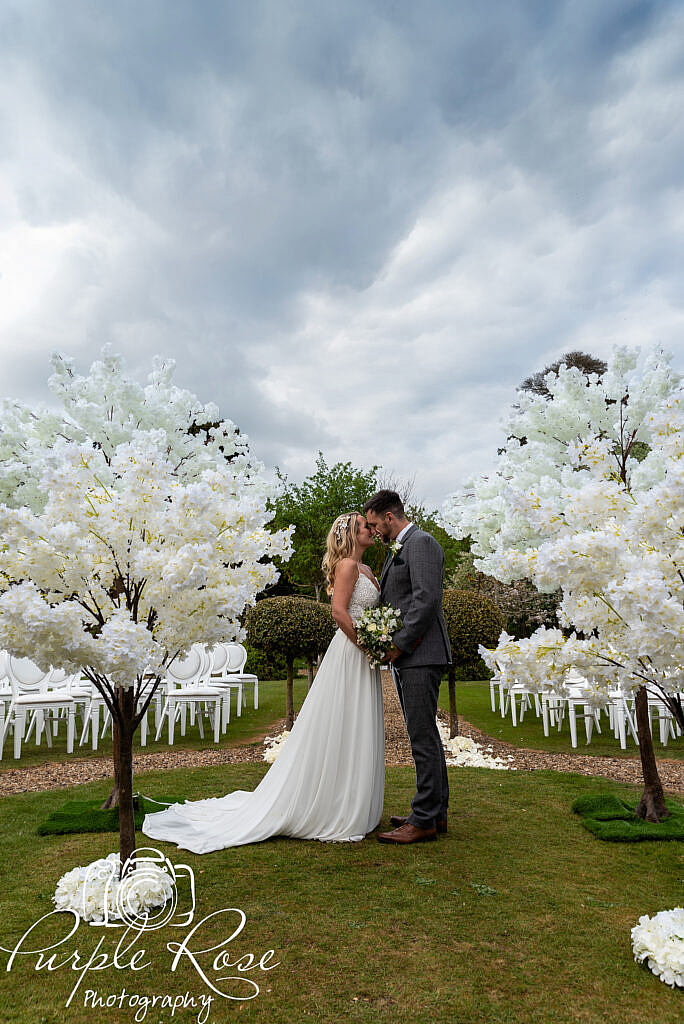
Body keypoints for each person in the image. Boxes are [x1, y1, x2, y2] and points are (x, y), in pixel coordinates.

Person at [142, 512, 384, 854]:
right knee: (341, 722)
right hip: (350, 651)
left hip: (365, 654)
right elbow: (339, 612)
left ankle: (352, 799)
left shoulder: (369, 571)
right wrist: (367, 644)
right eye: (364, 526)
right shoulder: (346, 567)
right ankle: (333, 806)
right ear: (349, 535)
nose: (371, 530)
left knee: (357, 725)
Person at [363, 490, 451, 845]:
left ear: (388, 517)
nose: (373, 531)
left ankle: (425, 819)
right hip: (416, 655)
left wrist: (399, 644)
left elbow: (426, 599)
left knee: (421, 736)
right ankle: (434, 812)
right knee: (425, 734)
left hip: (421, 654)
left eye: (373, 523)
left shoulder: (420, 542)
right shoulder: (403, 547)